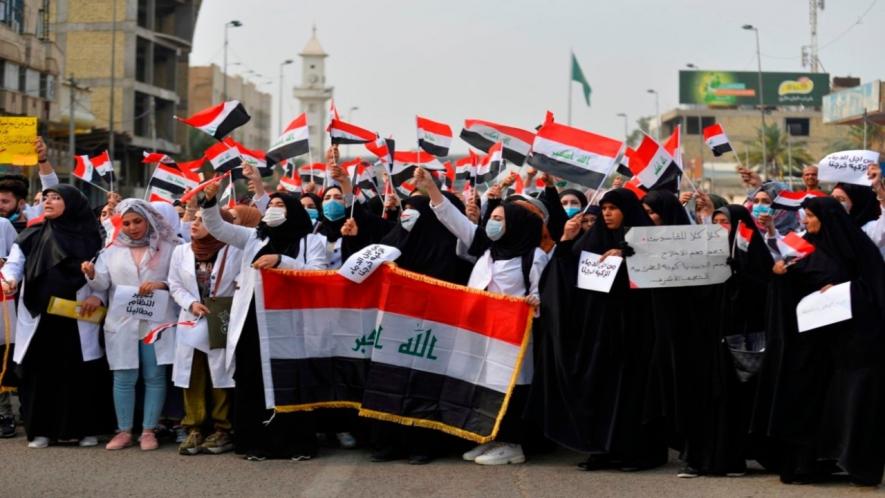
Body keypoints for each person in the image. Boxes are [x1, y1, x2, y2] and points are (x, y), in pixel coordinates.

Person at [415, 167, 551, 466]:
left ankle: (513, 444)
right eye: (493, 218)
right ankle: (491, 438)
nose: (492, 223)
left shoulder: (533, 257)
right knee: (485, 387)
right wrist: (432, 189)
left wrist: (530, 304)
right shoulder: (489, 250)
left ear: (516, 223)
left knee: (513, 389)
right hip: (480, 332)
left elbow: (543, 297)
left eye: (500, 219)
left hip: (514, 337)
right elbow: (453, 220)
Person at [529, 188, 668, 472]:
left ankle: (635, 453)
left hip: (635, 335)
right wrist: (567, 241)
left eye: (613, 208)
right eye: (604, 208)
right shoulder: (590, 241)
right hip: (597, 334)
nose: (606, 213)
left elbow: (660, 279)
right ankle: (601, 450)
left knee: (632, 395)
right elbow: (566, 277)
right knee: (599, 392)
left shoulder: (646, 240)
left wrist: (629, 256)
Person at [200, 180, 326, 461]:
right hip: (254, 320)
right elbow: (218, 228)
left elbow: (318, 275)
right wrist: (209, 202)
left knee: (290, 378)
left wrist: (282, 260)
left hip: (291, 322)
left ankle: (296, 443)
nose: (273, 210)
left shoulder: (312, 241)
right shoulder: (254, 238)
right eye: (270, 205)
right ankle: (256, 442)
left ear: (293, 211)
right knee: (252, 377)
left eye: (280, 205)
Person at [763, 196, 885, 486]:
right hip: (812, 345)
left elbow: (876, 287)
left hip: (851, 347)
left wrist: (847, 289)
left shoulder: (857, 248)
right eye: (804, 215)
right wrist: (780, 274)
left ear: (826, 217)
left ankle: (857, 465)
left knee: (854, 404)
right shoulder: (806, 249)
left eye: (809, 215)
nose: (805, 221)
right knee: (808, 400)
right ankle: (808, 464)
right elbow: (793, 283)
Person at [0, 184, 112, 448]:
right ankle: (41, 430)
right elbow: (15, 264)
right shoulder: (31, 234)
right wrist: (10, 280)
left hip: (77, 314)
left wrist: (98, 295)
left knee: (79, 374)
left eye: (57, 198)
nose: (48, 201)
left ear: (72, 204)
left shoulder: (94, 237)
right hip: (40, 315)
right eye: (47, 197)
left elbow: (108, 274)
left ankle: (84, 430)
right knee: (41, 373)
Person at [679, 205, 774, 478]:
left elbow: (764, 293)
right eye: (716, 221)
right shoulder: (704, 254)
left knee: (733, 404)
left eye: (726, 222)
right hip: (705, 343)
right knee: (702, 400)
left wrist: (739, 276)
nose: (720, 227)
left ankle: (731, 460)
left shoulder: (753, 254)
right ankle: (698, 460)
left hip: (736, 344)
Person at [82, 199, 180, 451]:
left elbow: (181, 279)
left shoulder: (170, 247)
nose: (132, 227)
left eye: (137, 221)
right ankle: (124, 430)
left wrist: (163, 285)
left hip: (156, 321)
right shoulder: (110, 250)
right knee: (123, 376)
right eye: (126, 223)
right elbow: (103, 284)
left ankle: (149, 430)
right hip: (122, 322)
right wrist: (92, 274)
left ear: (149, 219)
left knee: (154, 376)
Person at [168, 209, 239, 456]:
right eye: (194, 219)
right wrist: (190, 303)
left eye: (202, 220)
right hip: (192, 319)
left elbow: (242, 283)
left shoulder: (234, 251)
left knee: (221, 374)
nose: (194, 224)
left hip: (220, 318)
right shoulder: (181, 251)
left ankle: (222, 429)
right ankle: (194, 427)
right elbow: (174, 284)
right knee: (192, 374)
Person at [830, 182, 885, 257]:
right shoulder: (827, 225)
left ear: (856, 203)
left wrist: (879, 190)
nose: (834, 203)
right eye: (832, 198)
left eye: (840, 199)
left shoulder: (868, 230)